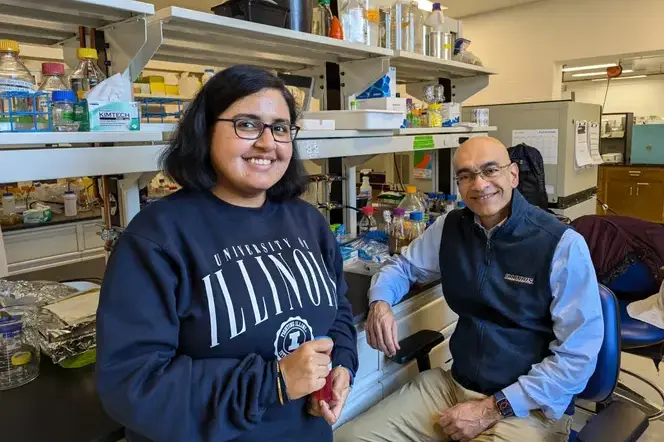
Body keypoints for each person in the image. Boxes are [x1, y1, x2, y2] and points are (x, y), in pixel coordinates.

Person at [96, 65, 358, 442]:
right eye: (247, 124)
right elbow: (132, 383)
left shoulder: (307, 220)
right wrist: (274, 382)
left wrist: (342, 366)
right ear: (205, 130)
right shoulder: (158, 237)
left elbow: (338, 311)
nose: (268, 143)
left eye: (281, 128)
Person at [335, 137, 603, 442]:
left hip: (529, 407)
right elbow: (402, 267)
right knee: (349, 438)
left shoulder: (561, 245)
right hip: (454, 387)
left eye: (490, 171)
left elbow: (577, 358)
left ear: (513, 174)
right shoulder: (451, 227)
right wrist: (380, 301)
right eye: (466, 175)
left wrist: (492, 408)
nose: (479, 184)